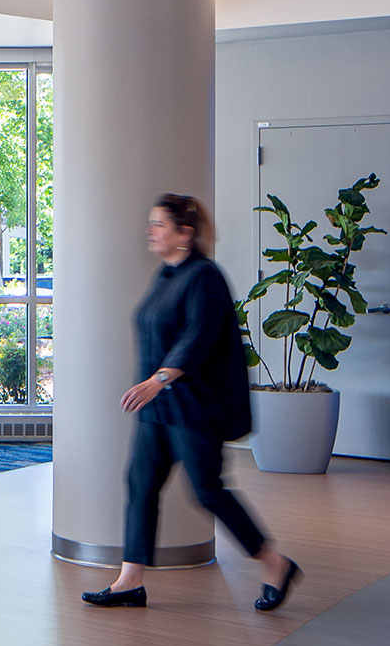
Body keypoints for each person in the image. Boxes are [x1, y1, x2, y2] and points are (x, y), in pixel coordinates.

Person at [83, 193, 302, 612]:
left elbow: (196, 339)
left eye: (160, 225)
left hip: (194, 408)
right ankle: (130, 580)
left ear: (185, 233)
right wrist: (152, 387)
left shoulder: (204, 277)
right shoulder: (166, 275)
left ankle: (275, 563)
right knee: (140, 484)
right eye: (151, 223)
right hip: (159, 409)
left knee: (207, 491)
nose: (150, 231)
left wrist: (159, 379)